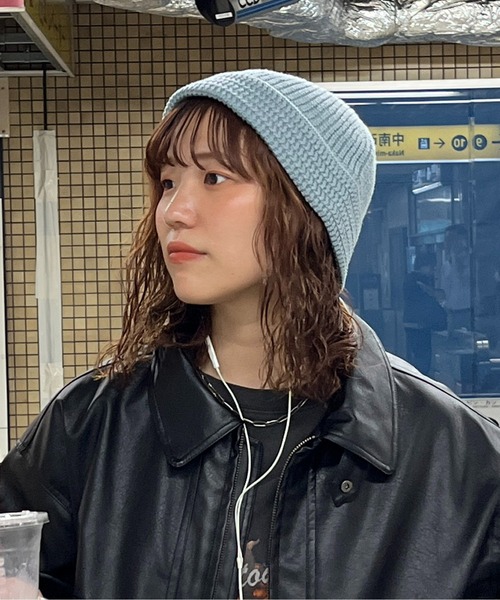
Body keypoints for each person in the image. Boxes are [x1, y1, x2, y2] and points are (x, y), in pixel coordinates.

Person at [1, 69, 500, 600]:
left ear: (307, 206)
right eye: (168, 182)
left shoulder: (457, 457)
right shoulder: (90, 425)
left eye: (214, 178)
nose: (173, 212)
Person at [403, 252, 447, 375]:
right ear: (424, 266)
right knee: (423, 359)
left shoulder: (409, 279)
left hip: (412, 323)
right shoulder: (420, 281)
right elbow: (428, 301)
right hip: (421, 325)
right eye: (431, 267)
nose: (433, 271)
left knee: (417, 356)